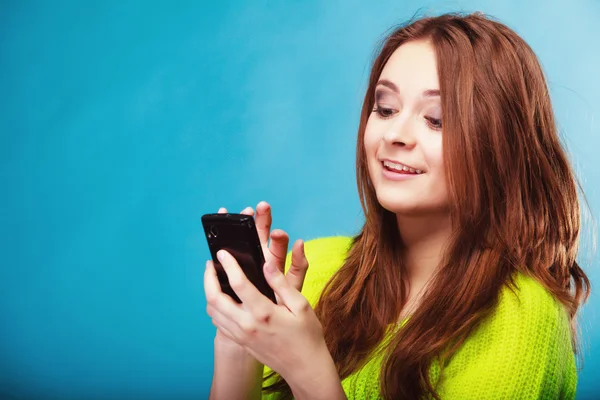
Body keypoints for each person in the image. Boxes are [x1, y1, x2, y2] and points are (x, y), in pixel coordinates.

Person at [203, 12, 591, 400]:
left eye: (436, 119)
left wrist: (308, 369)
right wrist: (238, 342)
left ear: (500, 143)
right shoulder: (311, 271)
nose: (394, 134)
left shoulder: (524, 319)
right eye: (385, 108)